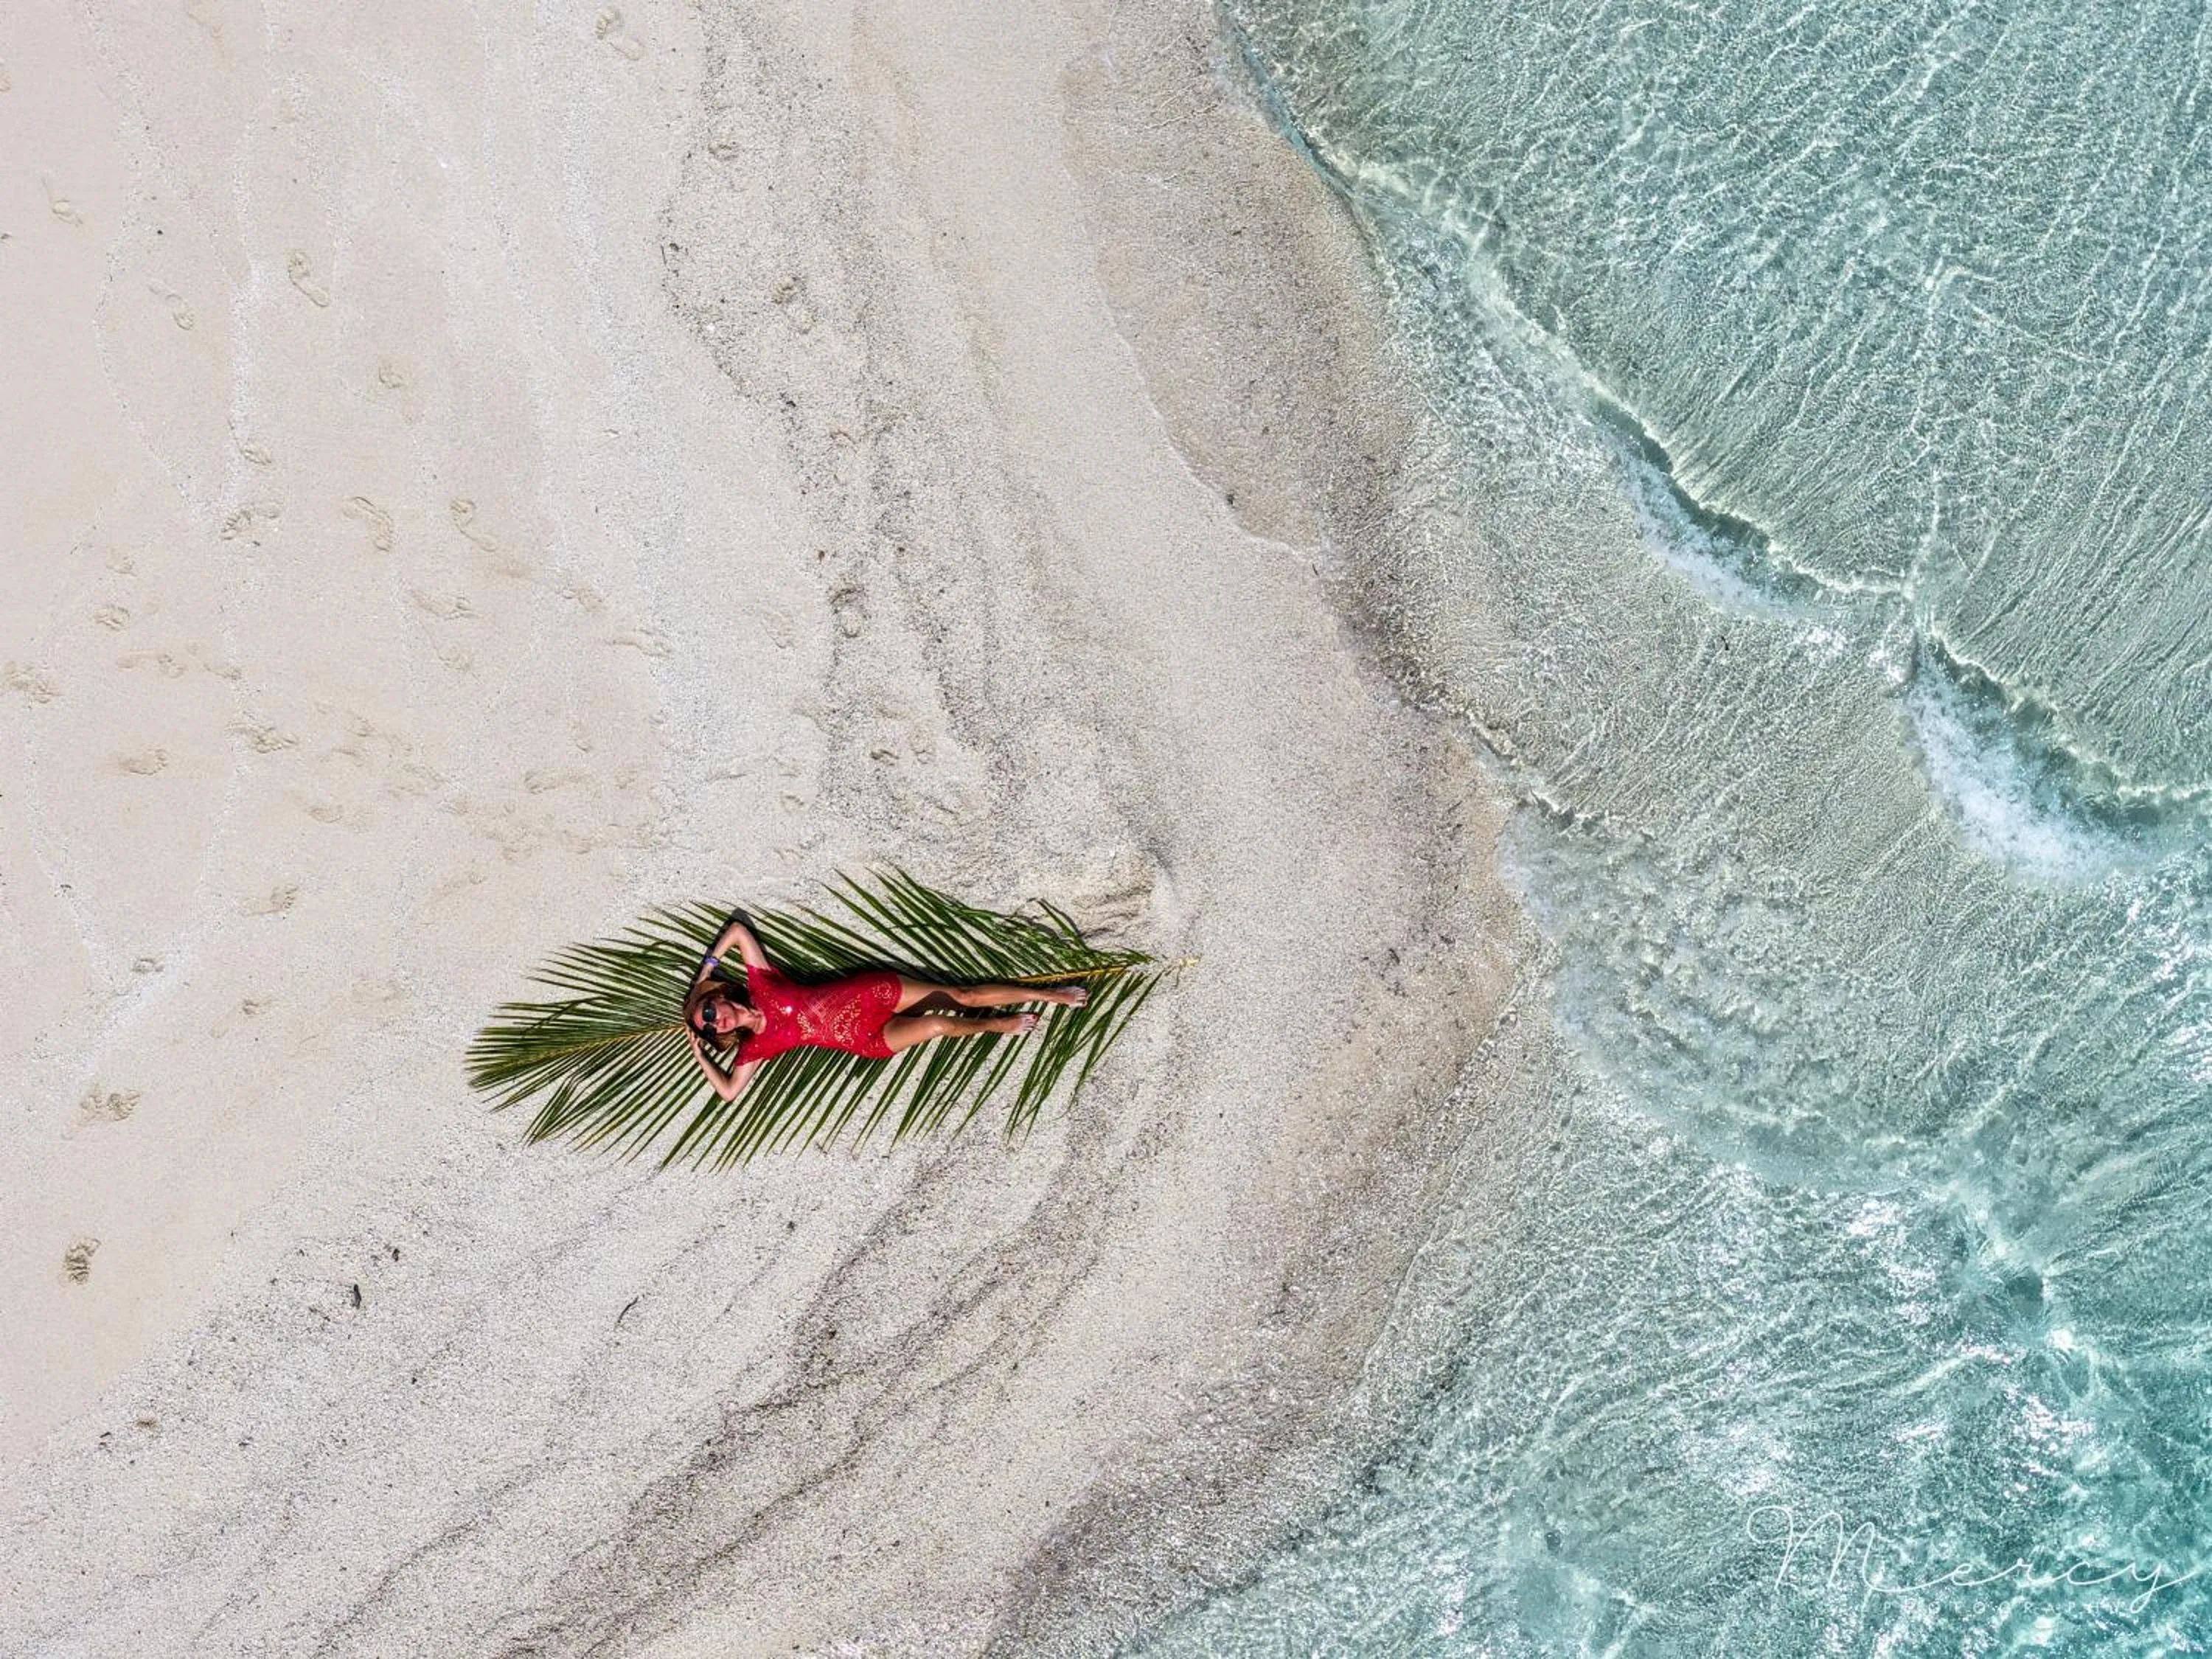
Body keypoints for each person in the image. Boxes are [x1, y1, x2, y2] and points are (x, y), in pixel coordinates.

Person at [684, 911, 1087, 1102]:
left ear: (717, 998)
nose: (716, 1022)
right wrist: (700, 1054)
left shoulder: (760, 983)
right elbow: (730, 1093)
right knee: (937, 1026)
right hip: (867, 1038)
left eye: (708, 1012)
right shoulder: (757, 1047)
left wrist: (706, 973)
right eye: (710, 1028)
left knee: (962, 996)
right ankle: (998, 1025)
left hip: (871, 993)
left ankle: (1051, 995)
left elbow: (738, 931)